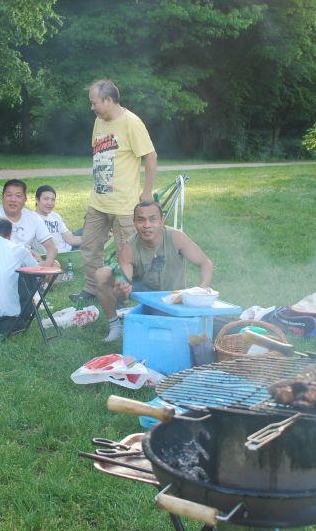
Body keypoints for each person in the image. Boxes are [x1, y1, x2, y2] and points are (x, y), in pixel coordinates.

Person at [74, 79, 158, 303]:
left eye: (94, 103)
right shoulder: (99, 121)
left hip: (123, 205)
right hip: (98, 201)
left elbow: (150, 156)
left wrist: (147, 191)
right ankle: (92, 289)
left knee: (126, 253)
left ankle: (124, 295)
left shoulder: (132, 123)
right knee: (89, 247)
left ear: (108, 100)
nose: (92, 107)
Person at [95, 201, 214, 342]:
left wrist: (202, 288)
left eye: (152, 219)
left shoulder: (176, 238)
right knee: (101, 274)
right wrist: (122, 289)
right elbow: (124, 294)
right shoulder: (128, 248)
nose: (147, 225)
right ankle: (116, 327)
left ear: (161, 221)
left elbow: (205, 263)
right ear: (134, 222)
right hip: (145, 296)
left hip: (174, 297)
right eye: (141, 220)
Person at [0, 179, 59, 268]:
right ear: (2, 197)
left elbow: (52, 248)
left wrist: (46, 267)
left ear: (25, 199)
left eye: (18, 196)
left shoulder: (33, 218)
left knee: (54, 264)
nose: (13, 199)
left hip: (26, 265)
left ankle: (41, 280)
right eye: (9, 195)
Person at [34, 185, 82, 254]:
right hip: (55, 256)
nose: (50, 203)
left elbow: (71, 239)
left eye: (52, 200)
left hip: (69, 249)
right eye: (46, 199)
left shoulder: (55, 216)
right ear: (37, 200)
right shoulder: (32, 218)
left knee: (89, 231)